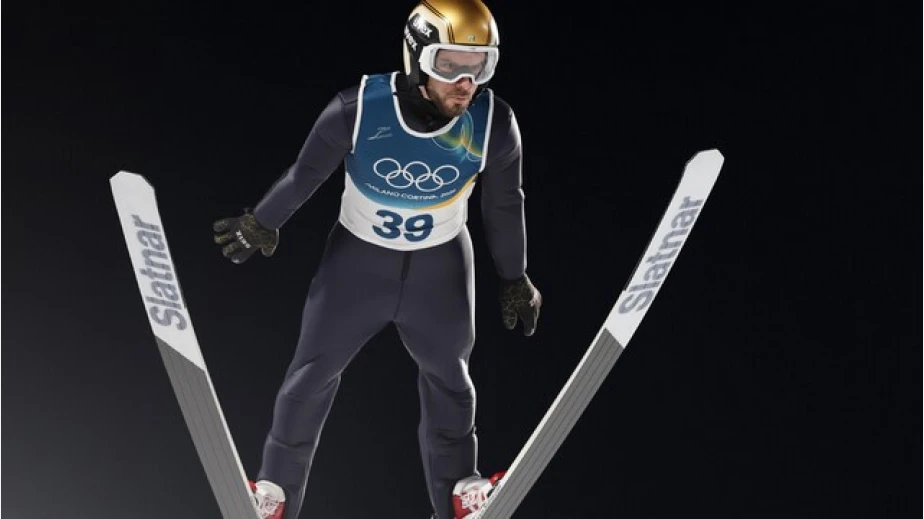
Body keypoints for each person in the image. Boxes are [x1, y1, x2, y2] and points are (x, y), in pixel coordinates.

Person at [212, 1, 541, 517]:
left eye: (479, 67)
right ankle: (275, 492)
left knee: (451, 381)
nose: (465, 84)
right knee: (310, 376)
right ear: (416, 58)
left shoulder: (494, 123)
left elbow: (504, 203)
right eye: (450, 65)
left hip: (440, 270)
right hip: (358, 265)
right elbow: (305, 174)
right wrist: (263, 220)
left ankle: (459, 493)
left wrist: (514, 276)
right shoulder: (359, 108)